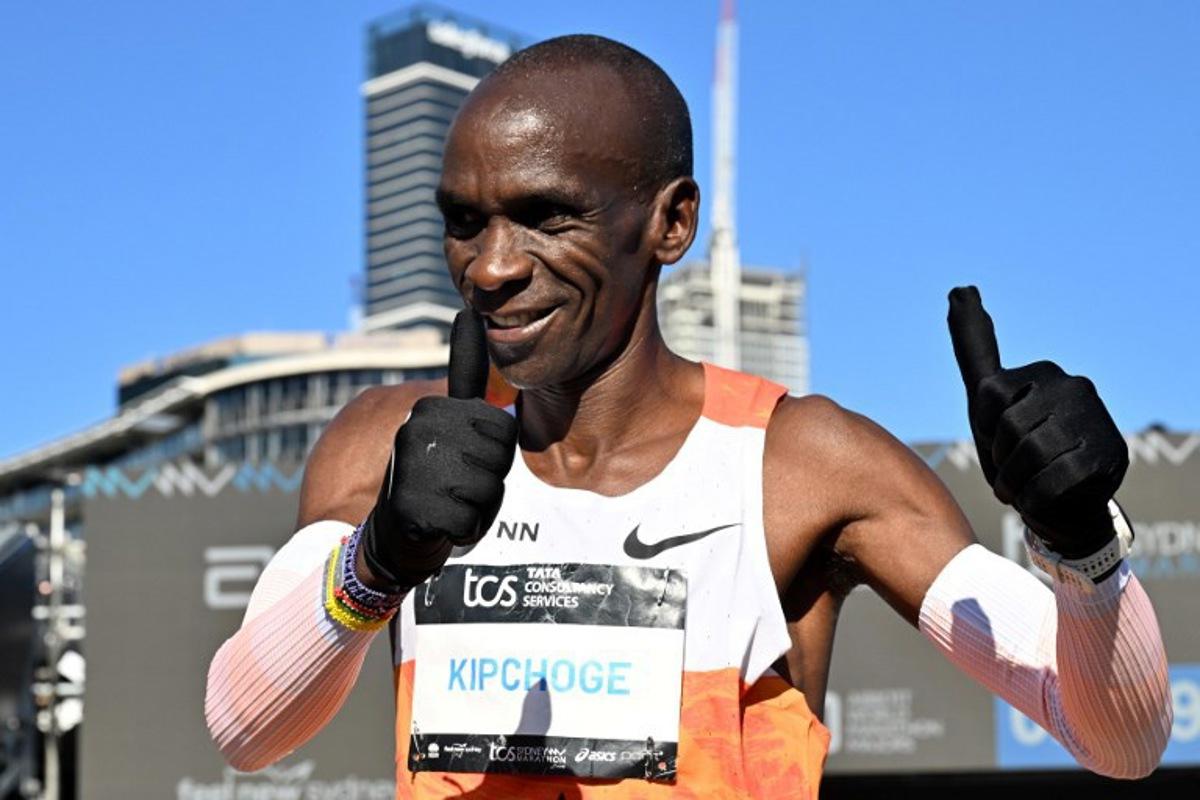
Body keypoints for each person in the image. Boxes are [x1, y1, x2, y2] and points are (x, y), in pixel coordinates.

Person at [205, 34, 1172, 799]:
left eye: (546, 216)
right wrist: (376, 564)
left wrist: (1082, 545)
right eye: (465, 220)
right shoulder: (383, 444)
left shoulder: (805, 465)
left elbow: (1119, 741)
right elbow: (245, 731)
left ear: (671, 223)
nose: (491, 266)